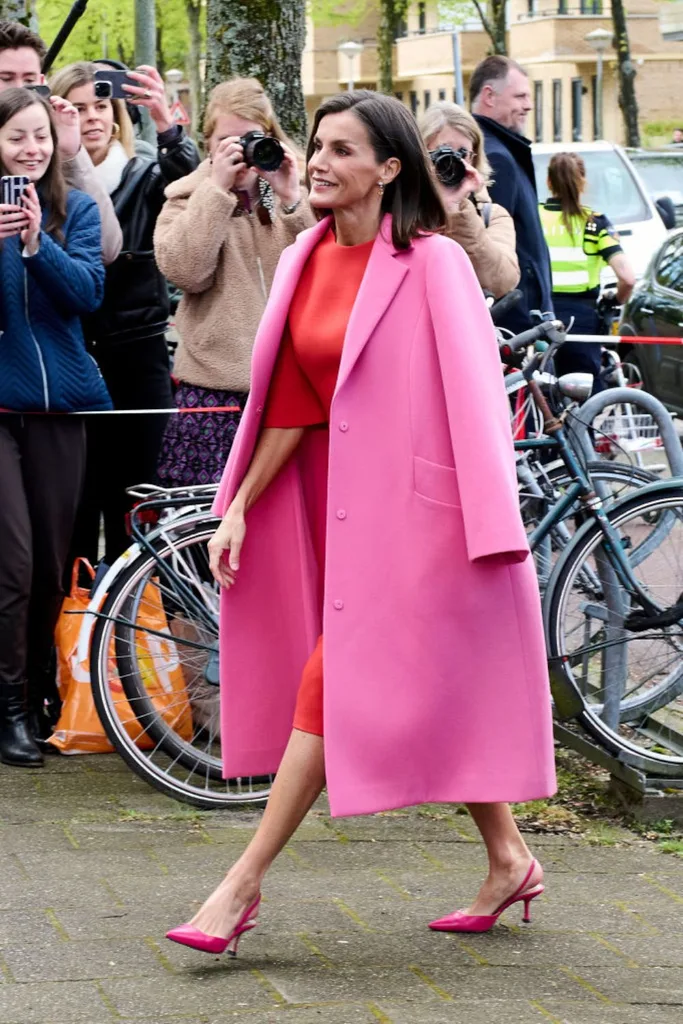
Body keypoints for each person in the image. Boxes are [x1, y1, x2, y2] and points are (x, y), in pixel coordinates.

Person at [166, 90, 556, 956]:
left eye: (343, 149)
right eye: (315, 144)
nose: (318, 160)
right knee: (418, 689)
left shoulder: (436, 264)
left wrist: (487, 534)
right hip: (336, 514)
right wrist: (238, 510)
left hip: (424, 527)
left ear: (388, 168)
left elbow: (477, 405)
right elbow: (293, 404)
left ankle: (238, 888)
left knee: (331, 680)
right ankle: (508, 857)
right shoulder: (304, 256)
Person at [50, 61, 199, 567]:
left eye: (100, 106)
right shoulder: (46, 183)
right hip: (72, 355)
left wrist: (166, 125)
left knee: (137, 502)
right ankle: (70, 631)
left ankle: (134, 629)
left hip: (138, 355)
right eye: (78, 108)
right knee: (73, 502)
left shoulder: (144, 173)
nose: (91, 118)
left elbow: (189, 183)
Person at [0, 88, 110, 768]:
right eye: (17, 137)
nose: (32, 148)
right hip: (1, 410)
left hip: (62, 405)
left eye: (40, 135)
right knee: (11, 561)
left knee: (47, 562)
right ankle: (7, 704)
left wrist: (40, 245)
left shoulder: (79, 210)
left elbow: (88, 295)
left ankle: (42, 687)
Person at [154, 78, 315, 487]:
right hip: (213, 391)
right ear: (207, 143)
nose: (241, 152)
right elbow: (186, 271)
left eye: (250, 139)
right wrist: (216, 193)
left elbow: (324, 273)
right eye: (227, 140)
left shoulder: (296, 196)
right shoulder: (183, 200)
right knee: (203, 521)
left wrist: (292, 201)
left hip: (291, 387)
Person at [0, 20, 121, 263]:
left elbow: (108, 248)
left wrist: (71, 153)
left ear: (42, 82)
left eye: (29, 80)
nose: (20, 90)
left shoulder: (46, 152)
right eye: (6, 78)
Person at [540, 151, 635, 391]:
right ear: (583, 182)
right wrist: (615, 300)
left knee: (539, 391)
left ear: (549, 182)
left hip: (540, 316)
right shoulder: (594, 223)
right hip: (580, 320)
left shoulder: (535, 217)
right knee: (586, 395)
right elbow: (628, 278)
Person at [471, 55, 553, 333]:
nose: (528, 105)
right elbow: (491, 248)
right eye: (520, 96)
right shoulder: (495, 157)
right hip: (516, 321)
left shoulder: (498, 150)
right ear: (489, 96)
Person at [418, 100, 519, 298]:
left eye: (463, 153)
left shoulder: (491, 215)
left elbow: (502, 282)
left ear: (474, 158)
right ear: (421, 154)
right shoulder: (399, 209)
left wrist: (457, 208)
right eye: (442, 151)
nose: (454, 161)